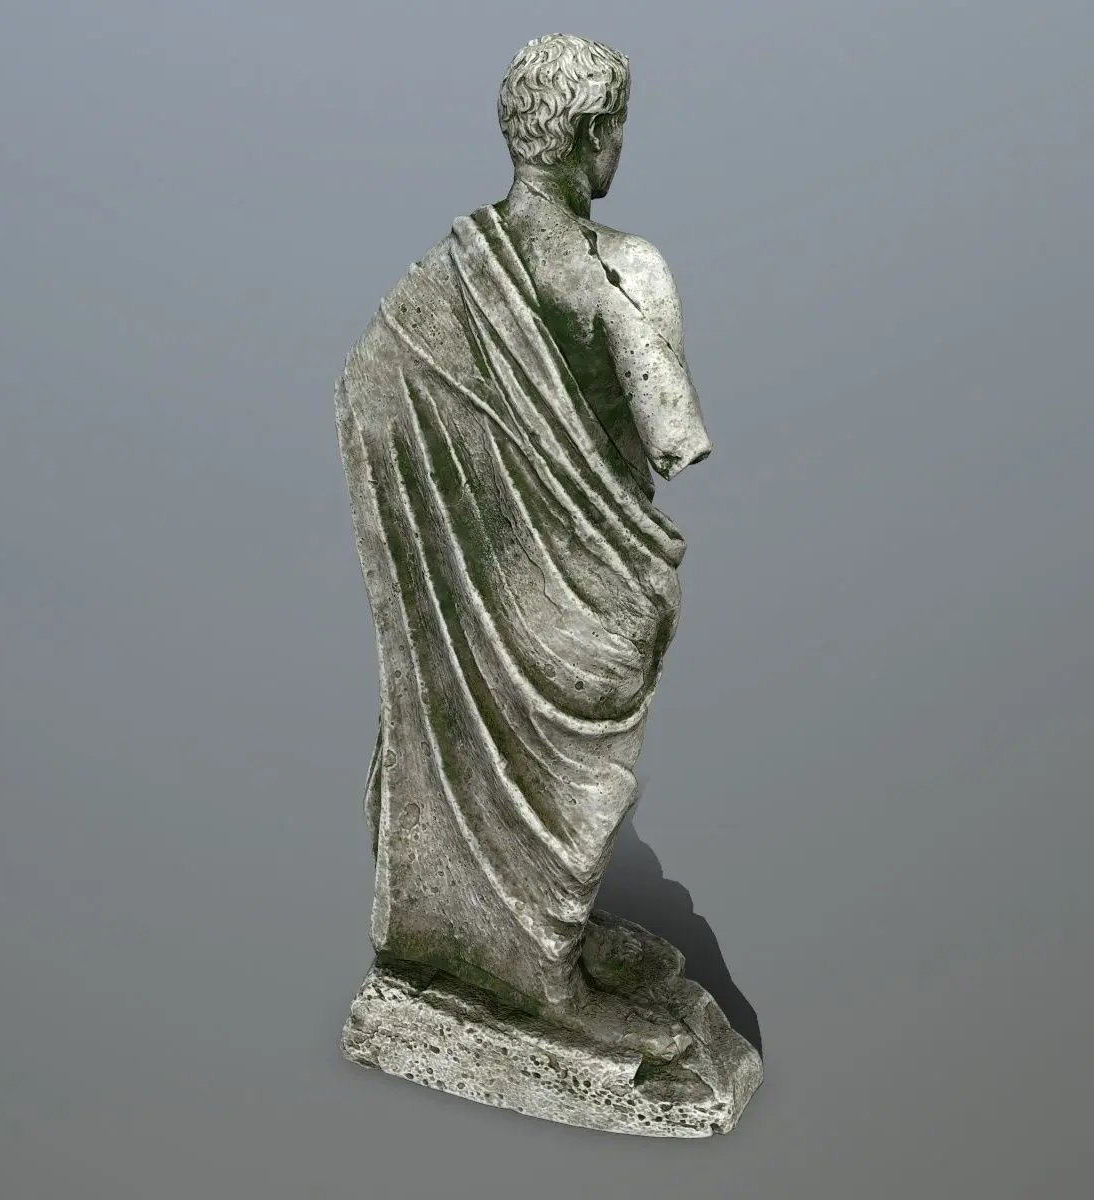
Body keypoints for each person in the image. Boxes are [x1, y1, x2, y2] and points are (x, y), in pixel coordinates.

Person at [335, 33, 712, 1061]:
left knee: (533, 782)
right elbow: (673, 434)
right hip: (584, 598)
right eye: (618, 128)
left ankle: (532, 940)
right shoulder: (623, 267)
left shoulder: (445, 273)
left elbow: (366, 387)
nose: (621, 148)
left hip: (502, 587)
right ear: (591, 135)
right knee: (572, 784)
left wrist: (445, 529)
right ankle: (538, 977)